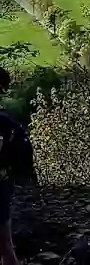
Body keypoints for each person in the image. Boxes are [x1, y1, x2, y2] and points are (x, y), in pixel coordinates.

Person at [0, 67, 33, 265]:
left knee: (4, 244)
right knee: (5, 243)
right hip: (4, 183)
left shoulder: (3, 122)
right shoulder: (6, 122)